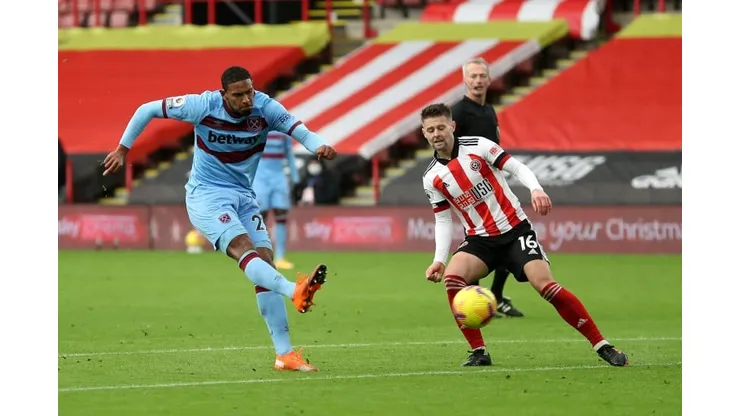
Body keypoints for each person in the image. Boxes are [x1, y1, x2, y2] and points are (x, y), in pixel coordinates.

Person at [102, 66, 338, 372]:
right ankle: (295, 290)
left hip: (244, 196)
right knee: (243, 248)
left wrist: (318, 145)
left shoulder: (265, 108)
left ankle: (284, 355)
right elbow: (146, 109)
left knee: (265, 262)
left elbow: (299, 130)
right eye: (238, 95)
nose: (246, 99)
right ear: (224, 94)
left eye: (249, 92)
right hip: (206, 195)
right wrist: (123, 149)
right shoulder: (202, 105)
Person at [420, 103, 628, 367]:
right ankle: (479, 352)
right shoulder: (431, 177)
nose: (436, 134)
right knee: (452, 279)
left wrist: (535, 189)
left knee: (546, 286)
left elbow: (517, 168)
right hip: (479, 241)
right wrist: (439, 260)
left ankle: (602, 345)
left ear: (452, 126)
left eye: (440, 127)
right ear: (424, 133)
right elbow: (442, 219)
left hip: (515, 231)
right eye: (430, 130)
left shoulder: (478, 146)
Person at [451, 57, 523, 318]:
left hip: (494, 186)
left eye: (482, 76)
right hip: (471, 190)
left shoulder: (489, 110)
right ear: (464, 80)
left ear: (490, 79)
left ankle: (497, 296)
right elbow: (450, 150)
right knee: (478, 242)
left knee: (508, 235)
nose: (478, 80)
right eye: (473, 76)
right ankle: (476, 302)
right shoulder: (458, 112)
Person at [254, 131, 300, 270]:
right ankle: (262, 256)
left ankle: (280, 257)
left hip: (278, 178)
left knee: (281, 214)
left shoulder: (283, 131)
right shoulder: (256, 127)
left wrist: (295, 177)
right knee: (260, 217)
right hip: (260, 178)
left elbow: (289, 152)